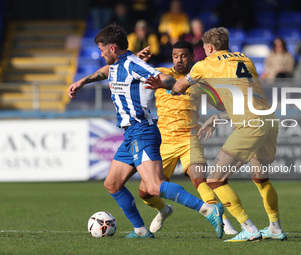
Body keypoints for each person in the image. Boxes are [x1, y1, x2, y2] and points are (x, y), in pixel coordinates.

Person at [68, 24, 223, 239]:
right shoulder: (116, 64)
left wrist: (167, 84)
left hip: (143, 131)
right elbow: (107, 71)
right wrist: (82, 81)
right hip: (130, 134)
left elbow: (163, 78)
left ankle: (208, 209)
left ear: (112, 48)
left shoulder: (133, 64)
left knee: (154, 186)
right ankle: (141, 231)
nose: (101, 54)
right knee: (112, 184)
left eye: (102, 50)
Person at [145, 27, 287, 242]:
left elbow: (180, 87)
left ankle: (248, 229)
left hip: (249, 124)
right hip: (269, 119)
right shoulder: (245, 59)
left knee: (215, 180)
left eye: (204, 48)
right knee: (261, 179)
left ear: (209, 47)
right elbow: (236, 92)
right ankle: (275, 228)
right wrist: (216, 115)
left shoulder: (205, 64)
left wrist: (165, 86)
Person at [136, 41, 238, 235]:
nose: (179, 59)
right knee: (145, 192)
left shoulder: (199, 81)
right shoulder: (161, 74)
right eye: (175, 56)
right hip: (163, 141)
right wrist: (137, 61)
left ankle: (224, 223)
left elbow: (222, 105)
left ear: (192, 57)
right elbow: (127, 76)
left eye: (183, 55)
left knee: (199, 179)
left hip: (189, 138)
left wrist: (218, 115)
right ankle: (163, 210)